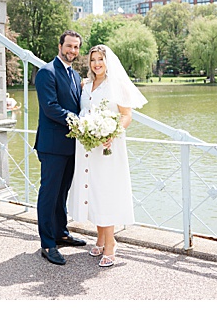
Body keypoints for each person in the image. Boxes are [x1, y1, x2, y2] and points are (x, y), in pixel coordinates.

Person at [67, 44, 146, 268]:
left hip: (108, 146)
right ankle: (100, 238)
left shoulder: (116, 85)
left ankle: (111, 245)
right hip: (87, 147)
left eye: (100, 59)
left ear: (107, 61)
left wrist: (111, 132)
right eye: (93, 59)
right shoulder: (86, 84)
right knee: (92, 190)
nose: (96, 63)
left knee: (105, 192)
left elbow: (126, 116)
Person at [33, 30, 88, 265]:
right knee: (49, 193)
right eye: (69, 46)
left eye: (76, 47)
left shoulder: (75, 75)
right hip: (52, 145)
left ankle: (61, 233)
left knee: (62, 193)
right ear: (60, 46)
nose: (72, 51)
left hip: (71, 145)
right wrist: (80, 121)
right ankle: (47, 243)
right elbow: (51, 107)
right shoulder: (47, 72)